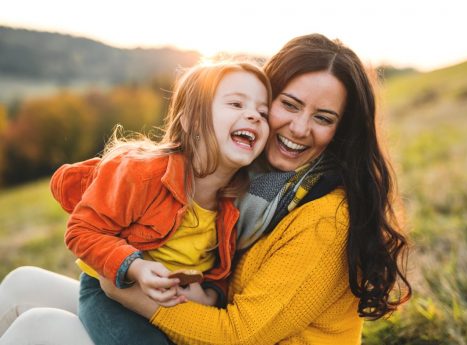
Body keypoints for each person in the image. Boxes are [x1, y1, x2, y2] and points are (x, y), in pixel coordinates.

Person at [0, 33, 411, 345]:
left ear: (342, 131)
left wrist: (123, 286)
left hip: (223, 336)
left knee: (40, 328)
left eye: (323, 117)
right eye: (288, 105)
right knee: (21, 283)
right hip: (183, 309)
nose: (300, 128)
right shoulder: (252, 183)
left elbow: (241, 333)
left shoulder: (323, 215)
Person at [0, 61, 271, 345]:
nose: (253, 115)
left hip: (166, 307)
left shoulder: (237, 201)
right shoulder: (143, 173)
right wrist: (135, 268)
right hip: (112, 291)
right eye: (237, 104)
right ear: (190, 120)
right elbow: (81, 230)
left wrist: (209, 294)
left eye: (263, 112)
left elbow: (220, 270)